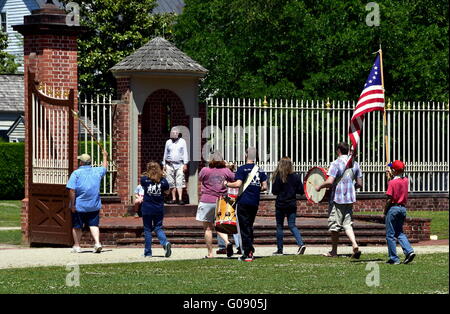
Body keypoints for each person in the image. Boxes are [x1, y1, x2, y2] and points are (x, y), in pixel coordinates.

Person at [315, 142, 362, 259]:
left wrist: (319, 186)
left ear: (338, 150)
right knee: (347, 223)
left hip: (338, 199)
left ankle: (334, 251)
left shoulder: (336, 163)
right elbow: (360, 184)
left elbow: (330, 182)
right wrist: (351, 187)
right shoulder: (354, 164)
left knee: (334, 225)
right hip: (350, 198)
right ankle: (354, 244)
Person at [224, 147, 268, 262]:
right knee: (249, 226)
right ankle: (250, 250)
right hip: (254, 202)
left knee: (243, 228)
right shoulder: (260, 170)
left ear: (246, 155)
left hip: (243, 201)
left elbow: (238, 184)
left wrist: (226, 184)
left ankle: (247, 253)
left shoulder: (242, 169)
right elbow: (265, 187)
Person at [67, 150, 108, 253]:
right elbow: (104, 168)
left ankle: (77, 246)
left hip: (79, 205)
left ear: (81, 162)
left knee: (77, 226)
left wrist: (72, 204)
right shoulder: (97, 171)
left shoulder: (76, 173)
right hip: (94, 204)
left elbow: (72, 190)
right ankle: (97, 243)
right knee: (94, 225)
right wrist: (105, 156)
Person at [196, 152, 235, 258]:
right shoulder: (226, 171)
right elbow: (234, 178)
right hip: (221, 200)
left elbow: (200, 179)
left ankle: (210, 253)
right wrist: (228, 167)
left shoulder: (205, 170)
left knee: (207, 228)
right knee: (220, 225)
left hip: (206, 200)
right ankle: (227, 242)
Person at [271, 157, 306, 255]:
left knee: (279, 226)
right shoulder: (296, 177)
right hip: (291, 204)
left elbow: (274, 191)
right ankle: (301, 244)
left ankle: (280, 249)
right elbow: (301, 191)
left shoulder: (278, 176)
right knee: (292, 225)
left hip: (280, 204)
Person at [384, 160, 416, 265]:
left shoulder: (392, 182)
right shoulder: (405, 180)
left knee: (390, 234)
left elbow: (389, 198)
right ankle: (409, 251)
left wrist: (385, 210)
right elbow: (397, 181)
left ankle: (394, 258)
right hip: (402, 208)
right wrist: (390, 175)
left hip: (393, 208)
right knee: (399, 232)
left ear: (394, 170)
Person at [140, 161, 172, 258]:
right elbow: (167, 192)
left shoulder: (144, 179)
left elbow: (143, 186)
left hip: (147, 208)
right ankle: (165, 242)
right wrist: (164, 176)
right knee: (158, 227)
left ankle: (148, 252)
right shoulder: (163, 181)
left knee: (147, 229)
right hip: (158, 208)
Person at [162, 127, 189, 205]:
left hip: (180, 164)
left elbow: (185, 153)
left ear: (178, 134)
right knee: (171, 182)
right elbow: (165, 153)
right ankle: (173, 198)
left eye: (175, 133)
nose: (173, 134)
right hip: (169, 164)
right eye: (172, 132)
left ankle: (180, 199)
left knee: (179, 181)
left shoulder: (182, 141)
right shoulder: (168, 142)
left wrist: (185, 164)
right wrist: (164, 164)